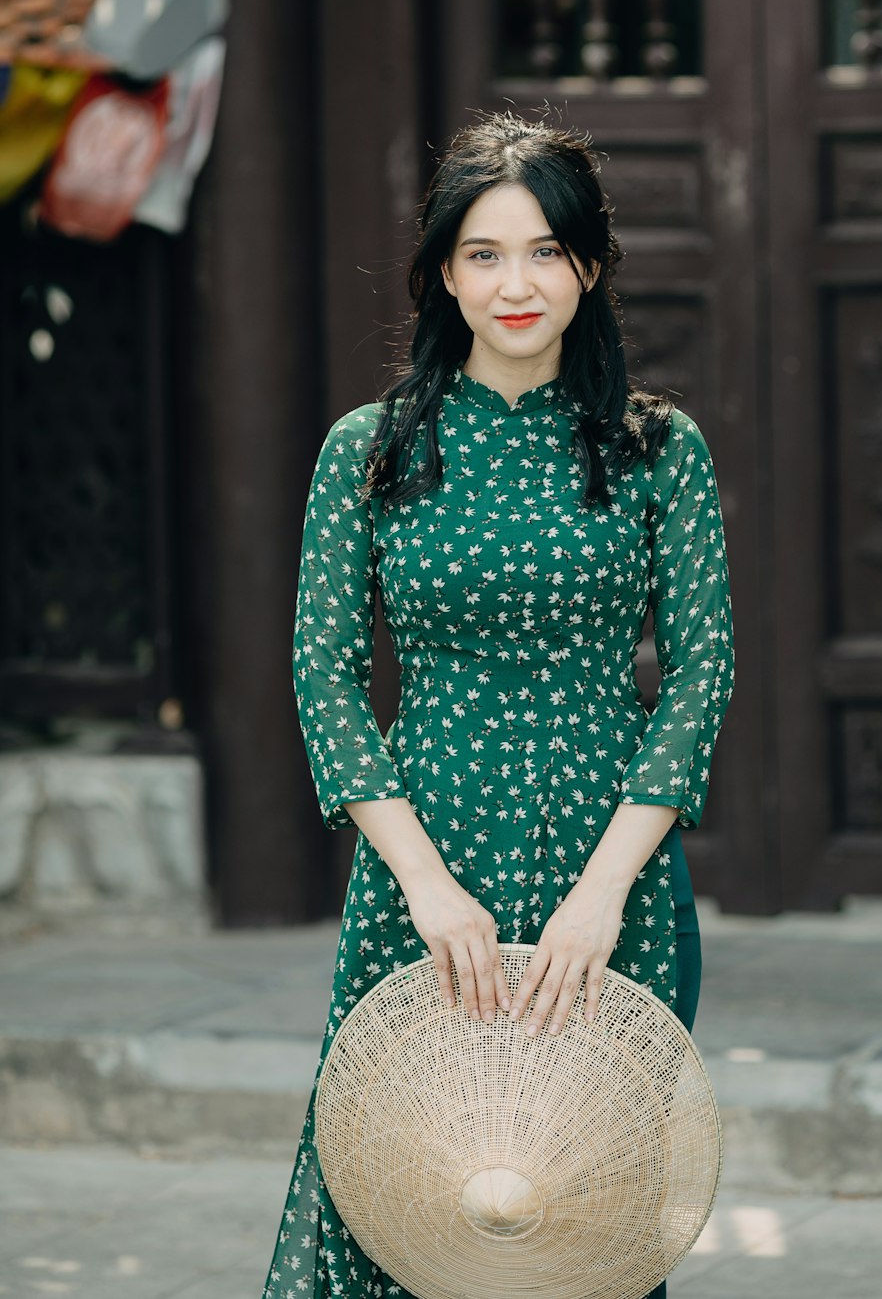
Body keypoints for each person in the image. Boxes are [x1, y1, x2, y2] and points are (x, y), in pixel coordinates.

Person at [261, 111, 735, 1299]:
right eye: (482, 254)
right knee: (398, 1179)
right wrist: (423, 883)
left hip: (608, 862)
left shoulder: (656, 448)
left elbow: (699, 673)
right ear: (441, 275)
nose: (514, 283)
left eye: (542, 252)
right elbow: (321, 674)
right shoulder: (366, 451)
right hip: (429, 858)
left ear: (588, 266)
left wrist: (600, 896)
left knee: (583, 1200)